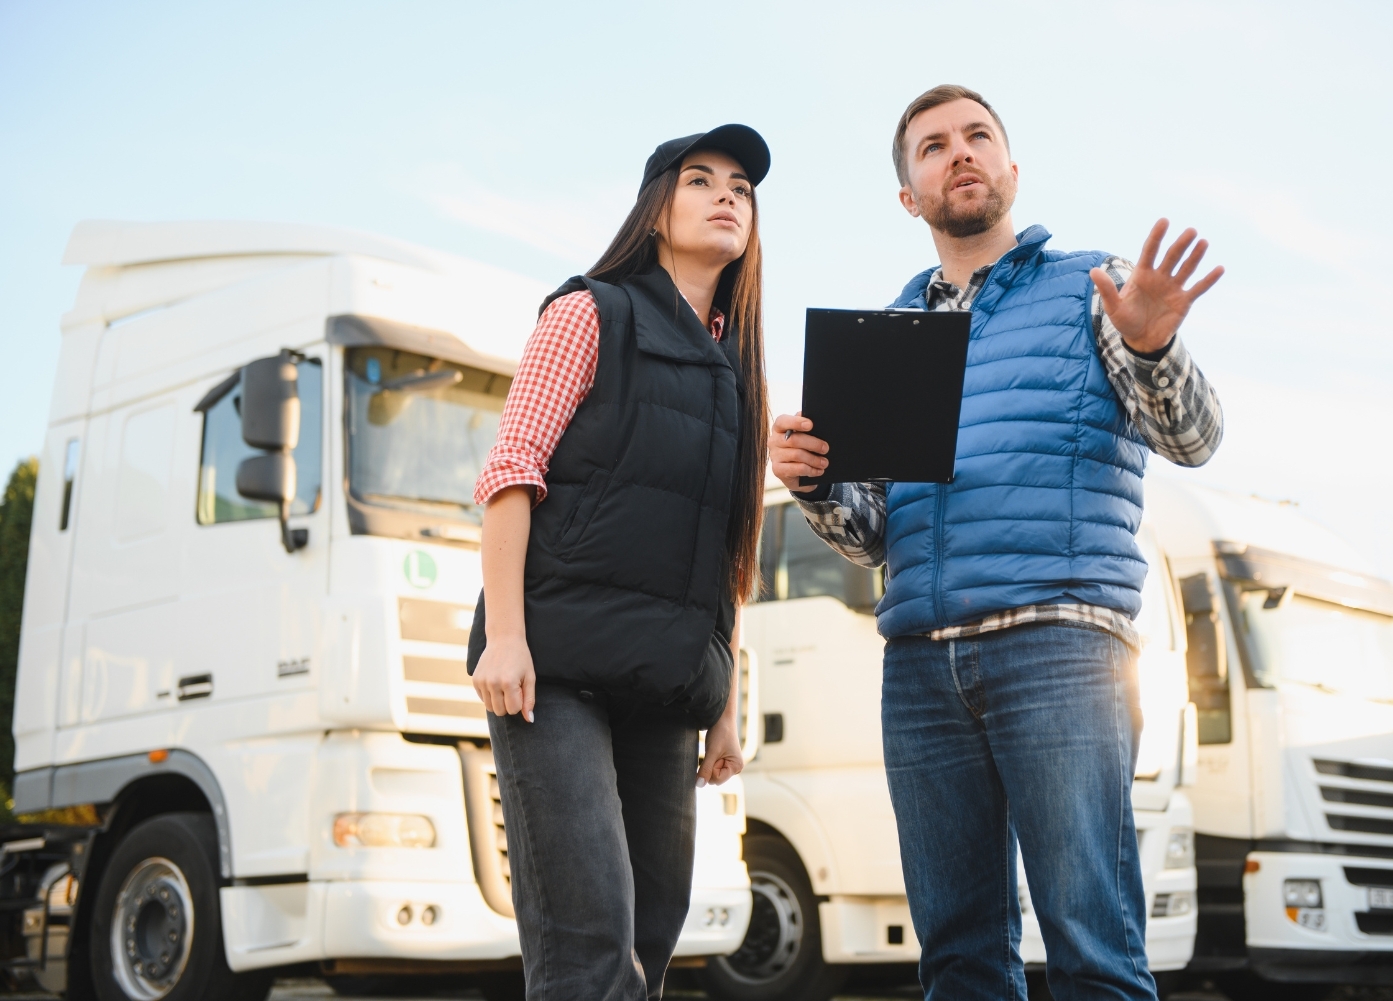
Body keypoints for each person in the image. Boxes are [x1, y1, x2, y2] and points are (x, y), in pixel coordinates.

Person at [770, 85, 1225, 1000]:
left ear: (1012, 168)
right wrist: (815, 481)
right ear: (910, 195)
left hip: (1060, 647)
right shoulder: (887, 331)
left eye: (979, 136)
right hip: (922, 666)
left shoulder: (1096, 287)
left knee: (1094, 947)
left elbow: (1195, 439)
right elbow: (869, 537)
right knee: (960, 959)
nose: (960, 153)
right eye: (933, 147)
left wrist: (1152, 348)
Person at [467, 124, 771, 1001]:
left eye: (742, 189)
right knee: (589, 950)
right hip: (551, 670)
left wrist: (723, 707)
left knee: (652, 936)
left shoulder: (738, 374)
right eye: (701, 181)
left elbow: (730, 551)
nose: (726, 196)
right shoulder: (588, 312)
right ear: (656, 209)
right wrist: (507, 638)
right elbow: (511, 471)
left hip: (668, 684)